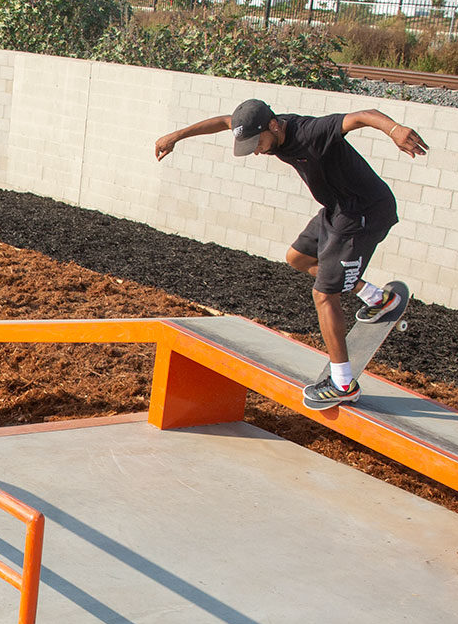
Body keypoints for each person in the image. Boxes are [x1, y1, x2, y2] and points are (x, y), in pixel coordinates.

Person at [154, 98, 427, 408]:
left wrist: (394, 130)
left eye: (258, 143)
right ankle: (378, 299)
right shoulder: (261, 123)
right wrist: (175, 136)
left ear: (273, 126)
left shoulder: (312, 131)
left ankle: (343, 383)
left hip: (363, 214)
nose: (256, 150)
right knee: (298, 258)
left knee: (324, 295)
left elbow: (362, 116)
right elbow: (222, 122)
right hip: (336, 209)